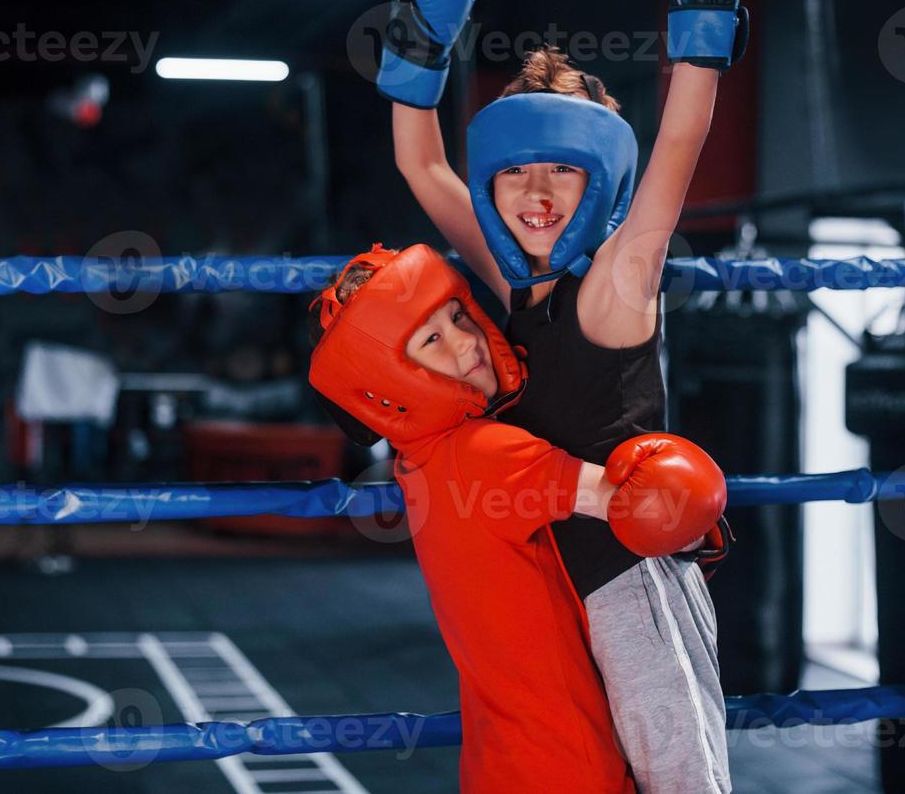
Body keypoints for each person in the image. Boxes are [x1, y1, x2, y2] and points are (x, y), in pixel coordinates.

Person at [362, 0, 764, 794]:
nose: (536, 193)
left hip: (630, 577)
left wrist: (702, 2)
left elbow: (679, 142)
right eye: (516, 171)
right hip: (539, 571)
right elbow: (423, 170)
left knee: (680, 781)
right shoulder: (507, 274)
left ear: (600, 182)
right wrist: (424, 38)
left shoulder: (619, 276)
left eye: (564, 171)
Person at [307, 244, 727, 793]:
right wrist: (694, 516)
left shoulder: (419, 464)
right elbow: (647, 498)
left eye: (458, 315)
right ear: (389, 382)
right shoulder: (483, 452)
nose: (465, 341)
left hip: (501, 762)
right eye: (432, 339)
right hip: (570, 763)